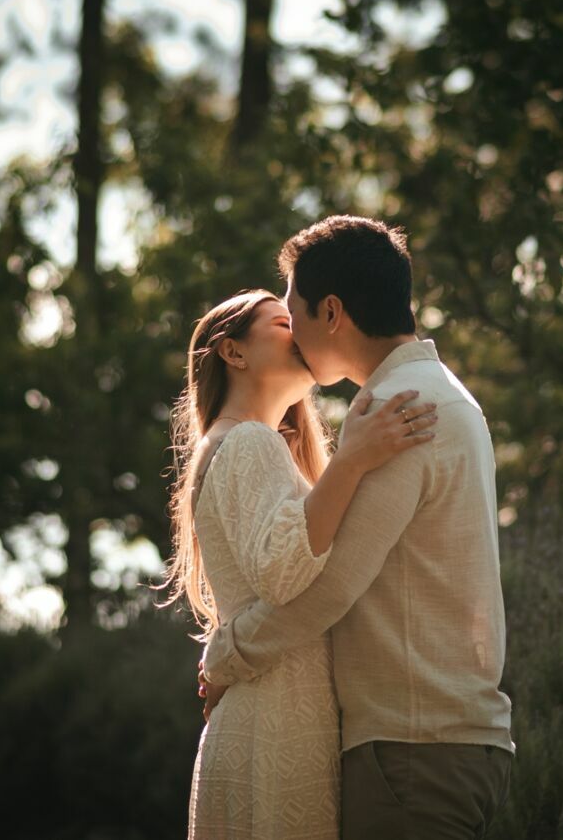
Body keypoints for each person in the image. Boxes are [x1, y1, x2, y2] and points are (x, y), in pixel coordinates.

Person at [202, 216, 515, 839]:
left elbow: (331, 584)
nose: (292, 334)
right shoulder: (442, 395)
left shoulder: (401, 408)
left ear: (333, 312)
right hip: (436, 742)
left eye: (294, 312)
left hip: (410, 747)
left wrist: (227, 655)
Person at [163, 287, 438, 839]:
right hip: (274, 725)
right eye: (282, 321)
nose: (302, 329)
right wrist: (355, 460)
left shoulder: (248, 445)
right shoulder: (247, 443)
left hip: (273, 715)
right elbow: (286, 572)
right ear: (233, 352)